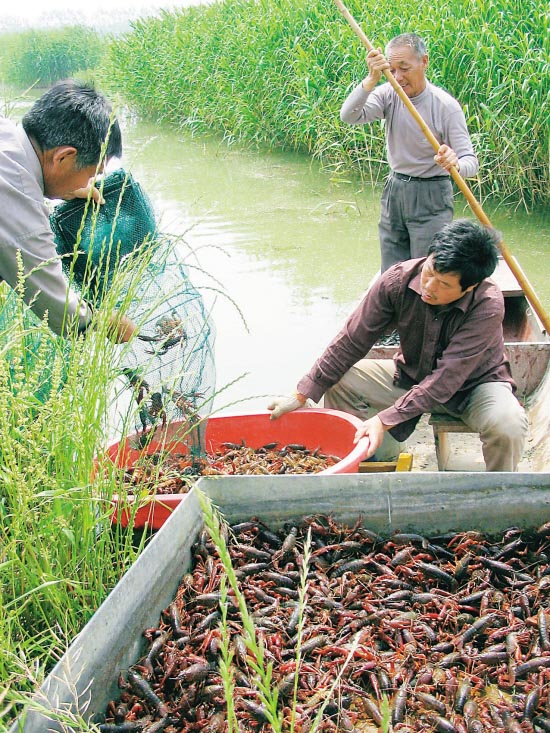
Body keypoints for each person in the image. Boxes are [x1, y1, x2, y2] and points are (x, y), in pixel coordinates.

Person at [267, 219, 528, 472]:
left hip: (474, 387)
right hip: (411, 376)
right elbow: (350, 341)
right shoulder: (397, 280)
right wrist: (302, 394)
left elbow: (448, 378)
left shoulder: (487, 303)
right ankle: (372, 458)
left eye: (444, 284)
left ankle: (497, 491)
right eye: (429, 271)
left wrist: (384, 419)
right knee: (341, 379)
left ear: (470, 286)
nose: (429, 286)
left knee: (509, 425)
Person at [0, 79, 135, 341]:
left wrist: (62, 189)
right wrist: (104, 321)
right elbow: (62, 314)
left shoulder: (7, 134)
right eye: (90, 175)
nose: (89, 184)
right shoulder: (17, 199)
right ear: (63, 157)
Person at [340, 33, 479, 272]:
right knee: (392, 271)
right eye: (391, 70)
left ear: (424, 62)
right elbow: (349, 116)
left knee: (427, 271)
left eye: (404, 68)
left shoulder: (445, 106)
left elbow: (471, 162)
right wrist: (371, 80)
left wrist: (454, 163)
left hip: (431, 193)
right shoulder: (388, 94)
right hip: (395, 190)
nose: (398, 77)